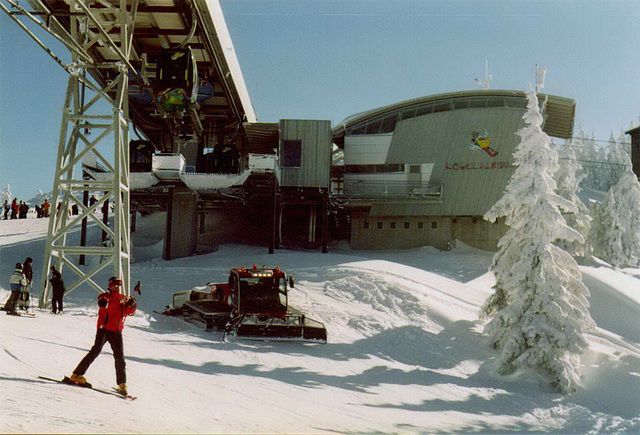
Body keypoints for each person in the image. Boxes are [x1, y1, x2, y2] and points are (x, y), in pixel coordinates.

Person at [69, 277, 137, 395]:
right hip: (104, 329)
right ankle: (77, 374)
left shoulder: (121, 298)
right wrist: (119, 302)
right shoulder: (103, 296)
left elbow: (127, 312)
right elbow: (104, 305)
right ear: (110, 285)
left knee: (119, 357)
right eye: (114, 285)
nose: (116, 287)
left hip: (116, 331)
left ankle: (122, 383)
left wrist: (132, 305)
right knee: (95, 351)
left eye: (118, 286)